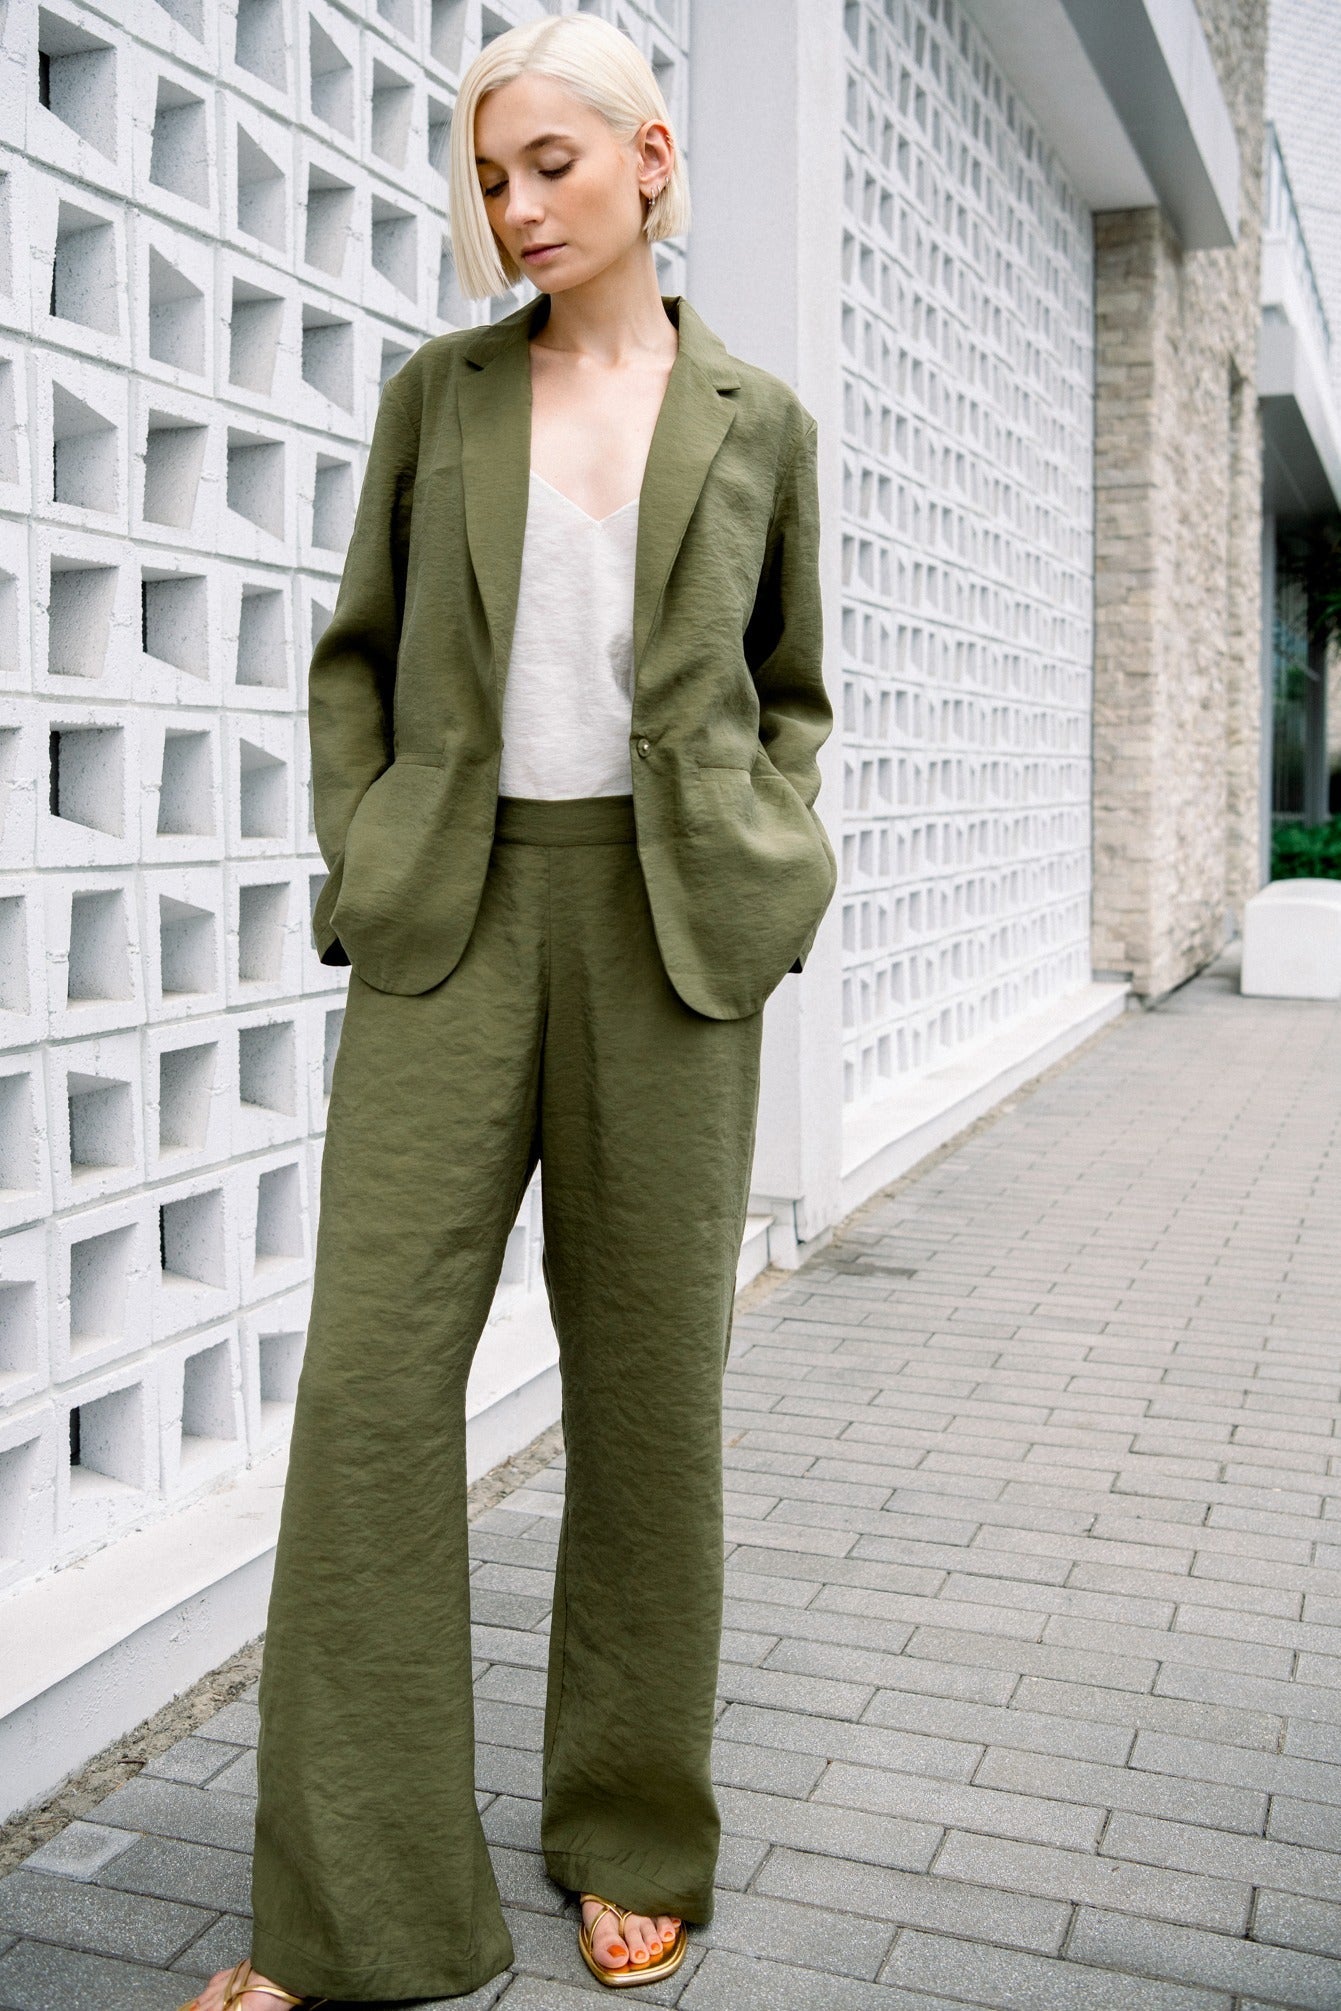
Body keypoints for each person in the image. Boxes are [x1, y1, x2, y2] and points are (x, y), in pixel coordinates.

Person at [180, 13, 835, 2008]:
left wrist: (770, 860)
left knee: (649, 1400)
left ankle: (630, 1835)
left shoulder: (756, 419)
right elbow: (354, 658)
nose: (516, 206)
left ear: (649, 157)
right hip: (449, 923)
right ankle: (349, 1913)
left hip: (666, 935)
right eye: (488, 177)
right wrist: (368, 846)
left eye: (549, 162)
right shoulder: (438, 397)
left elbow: (788, 690)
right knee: (372, 1396)